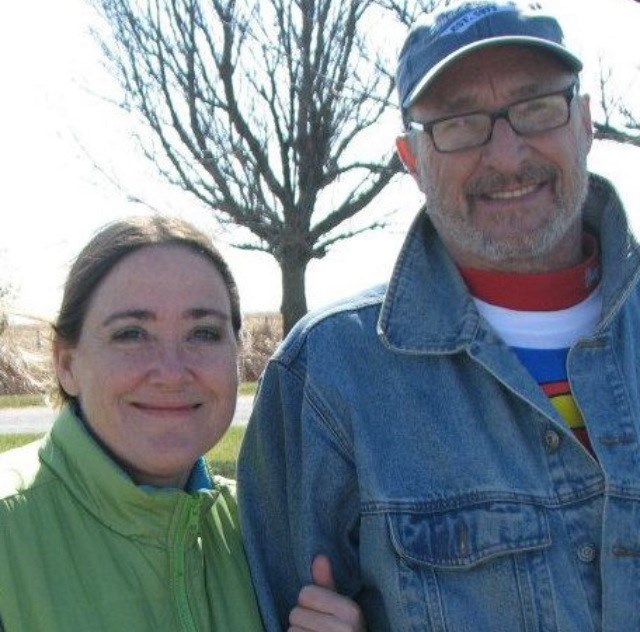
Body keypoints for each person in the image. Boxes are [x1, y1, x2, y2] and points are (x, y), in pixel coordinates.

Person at [237, 1, 640, 630]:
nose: (506, 155)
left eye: (537, 107)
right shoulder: (328, 375)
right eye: (459, 123)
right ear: (411, 158)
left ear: (585, 121)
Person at [0, 216, 364, 631]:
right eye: (131, 334)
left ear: (237, 355)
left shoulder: (267, 529)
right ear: (66, 364)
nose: (172, 372)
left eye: (204, 333)